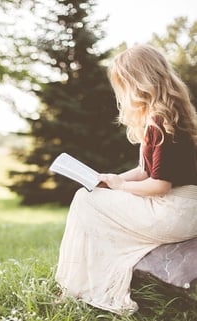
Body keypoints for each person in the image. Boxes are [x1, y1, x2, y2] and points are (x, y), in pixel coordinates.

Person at [55, 44, 197, 315]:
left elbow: (159, 185)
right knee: (92, 196)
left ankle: (78, 286)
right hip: (185, 209)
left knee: (84, 199)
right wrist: (111, 179)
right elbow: (145, 171)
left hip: (174, 211)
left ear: (137, 82)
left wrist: (120, 187)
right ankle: (81, 283)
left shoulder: (158, 121)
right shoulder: (169, 115)